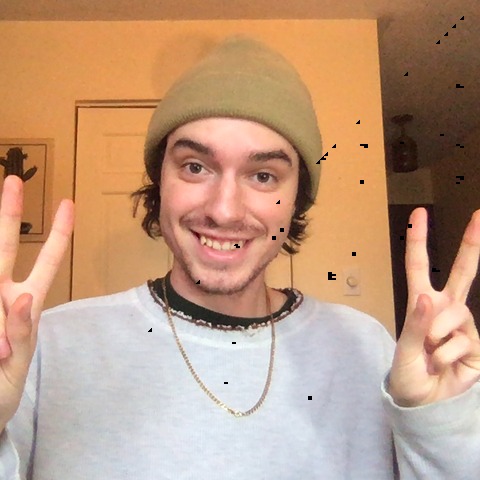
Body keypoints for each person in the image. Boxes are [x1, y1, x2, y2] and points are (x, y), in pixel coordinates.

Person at [0, 34, 479, 480]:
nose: (224, 210)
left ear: (296, 200)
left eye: (263, 176)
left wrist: (439, 427)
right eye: (195, 166)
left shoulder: (366, 348)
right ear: (160, 182)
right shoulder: (45, 347)